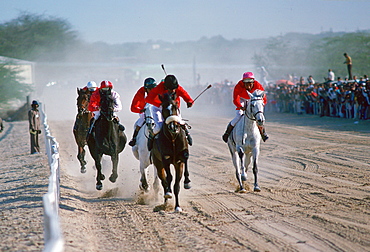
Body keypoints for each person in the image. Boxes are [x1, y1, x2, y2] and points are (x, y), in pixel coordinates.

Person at [145, 74, 194, 147]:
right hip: (158, 108)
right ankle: (151, 136)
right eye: (171, 89)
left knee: (180, 122)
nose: (173, 90)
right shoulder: (159, 87)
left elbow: (185, 95)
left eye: (174, 89)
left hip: (172, 108)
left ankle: (187, 133)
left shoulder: (177, 88)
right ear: (165, 87)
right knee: (158, 127)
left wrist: (189, 102)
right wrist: (160, 104)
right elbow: (148, 99)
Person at [222, 72, 269, 143]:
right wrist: (240, 107)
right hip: (242, 99)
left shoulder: (258, 86)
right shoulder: (238, 86)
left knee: (258, 116)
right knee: (238, 115)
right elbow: (235, 99)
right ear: (243, 82)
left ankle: (263, 133)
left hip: (253, 100)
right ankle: (227, 133)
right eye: (246, 83)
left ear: (253, 81)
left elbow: (263, 98)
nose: (248, 86)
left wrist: (261, 105)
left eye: (250, 83)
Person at [128, 77, 157, 146]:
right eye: (150, 89)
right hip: (144, 111)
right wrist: (141, 110)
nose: (152, 91)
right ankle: (134, 138)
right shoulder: (140, 92)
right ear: (146, 89)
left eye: (153, 89)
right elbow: (133, 108)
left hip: (156, 110)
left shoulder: (157, 91)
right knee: (141, 121)